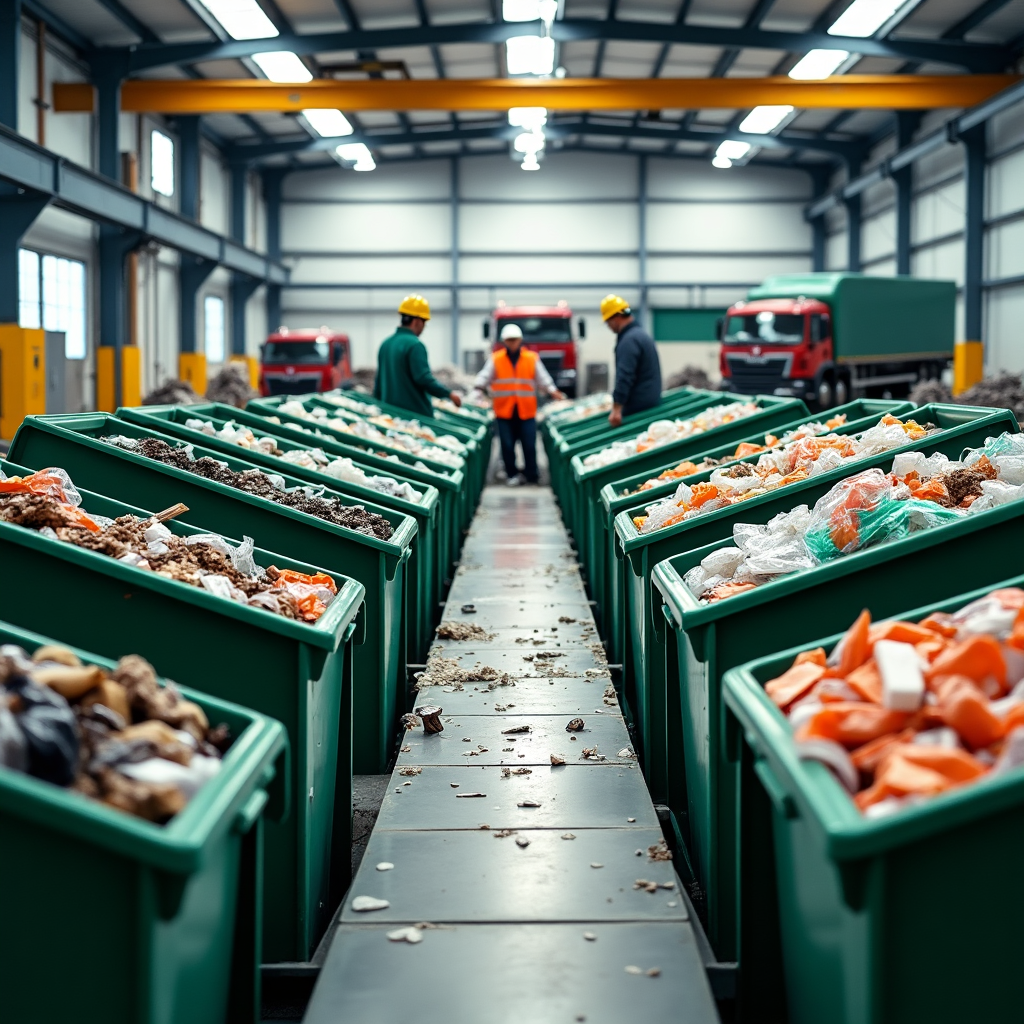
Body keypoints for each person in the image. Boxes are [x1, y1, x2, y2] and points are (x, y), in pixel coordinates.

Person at [470, 323, 565, 486]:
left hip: (525, 410)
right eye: (509, 340)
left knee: (529, 444)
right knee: (507, 445)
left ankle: (531, 475)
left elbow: (542, 378)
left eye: (515, 340)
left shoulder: (531, 358)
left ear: (520, 340)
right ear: (504, 341)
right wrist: (477, 390)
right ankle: (512, 474)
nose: (512, 343)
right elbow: (484, 376)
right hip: (504, 411)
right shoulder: (496, 359)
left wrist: (553, 391)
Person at [374, 294, 462, 418]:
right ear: (417, 321)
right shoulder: (415, 345)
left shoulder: (386, 344)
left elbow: (379, 383)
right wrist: (449, 394)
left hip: (390, 415)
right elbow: (423, 378)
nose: (424, 327)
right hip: (413, 417)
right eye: (424, 322)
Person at [601, 294, 662, 427]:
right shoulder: (641, 334)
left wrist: (616, 409)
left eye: (608, 322)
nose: (609, 327)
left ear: (615, 318)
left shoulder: (628, 341)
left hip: (638, 408)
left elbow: (624, 375)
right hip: (650, 402)